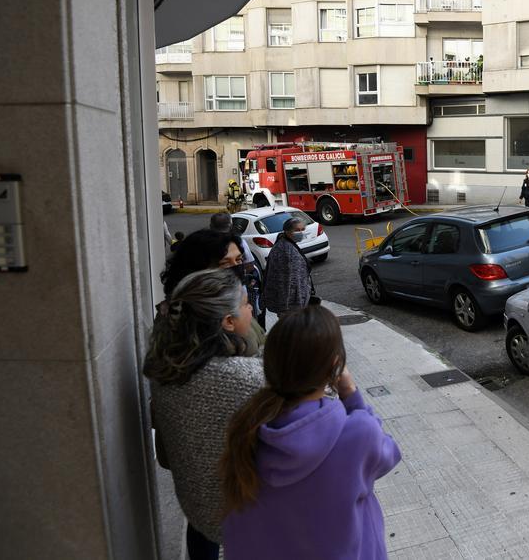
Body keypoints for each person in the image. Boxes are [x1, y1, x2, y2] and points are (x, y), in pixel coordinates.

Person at [220, 306, 402, 560]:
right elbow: (389, 454)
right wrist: (351, 393)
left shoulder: (247, 428)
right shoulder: (357, 433)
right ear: (335, 365)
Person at [144, 269, 265, 560]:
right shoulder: (245, 378)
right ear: (228, 322)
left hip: (197, 506)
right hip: (246, 514)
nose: (251, 308)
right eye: (246, 303)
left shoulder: (167, 370)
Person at [211, 213, 266, 327]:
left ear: (211, 226)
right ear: (231, 226)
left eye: (238, 260)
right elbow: (250, 265)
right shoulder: (238, 242)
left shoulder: (204, 244)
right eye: (224, 263)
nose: (234, 265)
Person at [261, 217, 312, 320]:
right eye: (297, 230)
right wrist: (286, 308)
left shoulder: (287, 244)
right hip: (291, 306)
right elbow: (286, 282)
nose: (301, 233)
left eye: (302, 229)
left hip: (293, 303)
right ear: (288, 232)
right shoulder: (286, 250)